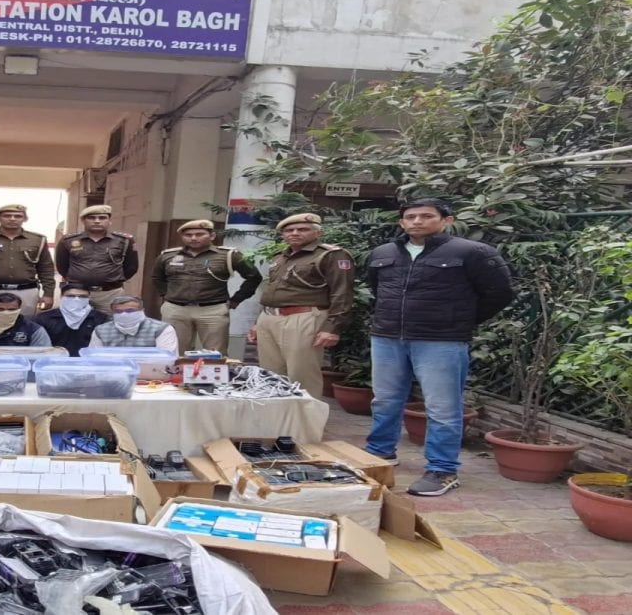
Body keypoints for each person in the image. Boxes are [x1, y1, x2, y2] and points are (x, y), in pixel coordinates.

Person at [364, 199, 514, 497]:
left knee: (442, 408)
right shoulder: (383, 253)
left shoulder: (471, 252)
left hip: (441, 341)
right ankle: (379, 453)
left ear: (447, 220)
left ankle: (442, 470)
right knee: (385, 400)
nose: (417, 221)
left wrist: (458, 320)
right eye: (410, 217)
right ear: (401, 222)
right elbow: (377, 289)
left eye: (426, 216)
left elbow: (501, 293)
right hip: (387, 338)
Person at [248, 213, 355, 397]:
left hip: (303, 317)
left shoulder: (331, 255)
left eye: (303, 229)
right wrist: (258, 322)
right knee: (270, 375)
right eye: (289, 230)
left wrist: (332, 328)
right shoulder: (280, 257)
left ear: (317, 232)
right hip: (269, 318)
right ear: (283, 234)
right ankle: (278, 414)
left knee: (302, 375)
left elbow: (342, 293)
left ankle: (306, 415)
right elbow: (273, 290)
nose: (295, 233)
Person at [152, 219, 262, 355]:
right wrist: (166, 295)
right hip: (175, 309)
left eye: (199, 234)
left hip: (213, 310)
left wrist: (237, 299)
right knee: (173, 352)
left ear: (212, 236)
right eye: (188, 235)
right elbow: (157, 278)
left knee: (215, 354)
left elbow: (254, 277)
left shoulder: (229, 255)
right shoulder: (168, 256)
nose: (193, 238)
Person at [0, 204, 56, 318]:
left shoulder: (37, 240)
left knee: (25, 324)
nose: (12, 219)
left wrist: (48, 293)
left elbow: (46, 268)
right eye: (7, 216)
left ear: (25, 219)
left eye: (18, 216)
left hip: (26, 291)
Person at [54, 205, 138, 314]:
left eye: (102, 218)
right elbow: (62, 266)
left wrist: (112, 280)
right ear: (83, 221)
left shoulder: (124, 241)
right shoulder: (68, 240)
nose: (97, 221)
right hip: (77, 292)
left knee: (109, 321)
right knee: (75, 320)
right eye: (91, 218)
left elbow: (131, 267)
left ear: (109, 221)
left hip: (110, 293)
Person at [88, 296, 179, 355]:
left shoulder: (161, 329)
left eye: (130, 311)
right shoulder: (101, 330)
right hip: (112, 373)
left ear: (142, 310)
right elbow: (94, 356)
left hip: (150, 374)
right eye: (118, 311)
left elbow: (167, 358)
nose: (124, 314)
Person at [36, 282, 109, 356]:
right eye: (70, 296)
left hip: (88, 360)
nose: (76, 299)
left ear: (89, 298)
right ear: (61, 296)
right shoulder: (44, 319)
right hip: (54, 360)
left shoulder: (101, 319)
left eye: (82, 296)